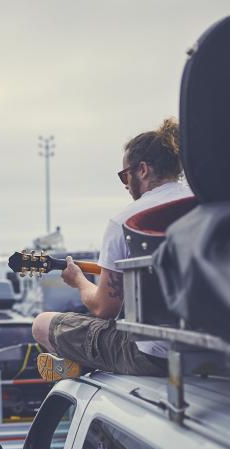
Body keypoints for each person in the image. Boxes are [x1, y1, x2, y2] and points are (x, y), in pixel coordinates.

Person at [34, 118, 192, 380]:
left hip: (153, 356)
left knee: (41, 324)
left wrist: (79, 281)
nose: (126, 185)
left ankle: (78, 364)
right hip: (214, 349)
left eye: (124, 176)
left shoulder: (126, 222)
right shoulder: (205, 205)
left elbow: (104, 308)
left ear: (142, 170)